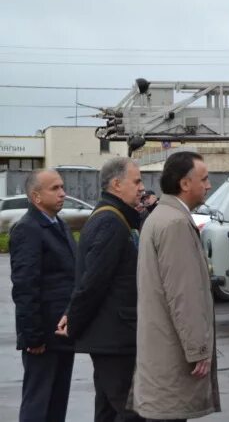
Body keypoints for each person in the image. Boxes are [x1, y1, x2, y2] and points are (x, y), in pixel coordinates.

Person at [131, 151, 220, 421]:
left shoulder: (161, 216)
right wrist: (198, 349)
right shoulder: (175, 223)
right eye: (203, 179)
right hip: (172, 355)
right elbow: (184, 295)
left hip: (161, 351)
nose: (209, 185)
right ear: (184, 183)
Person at [58, 157, 145, 422]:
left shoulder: (118, 218)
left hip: (114, 337)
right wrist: (72, 320)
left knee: (108, 410)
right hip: (114, 338)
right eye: (137, 181)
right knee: (131, 412)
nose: (142, 187)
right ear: (117, 185)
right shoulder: (110, 222)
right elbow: (93, 282)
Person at [10, 169, 76, 422]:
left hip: (62, 333)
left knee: (57, 403)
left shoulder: (58, 225)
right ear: (36, 197)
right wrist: (33, 336)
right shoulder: (28, 229)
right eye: (55, 189)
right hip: (42, 337)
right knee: (38, 404)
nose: (63, 193)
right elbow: (25, 287)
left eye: (62, 187)